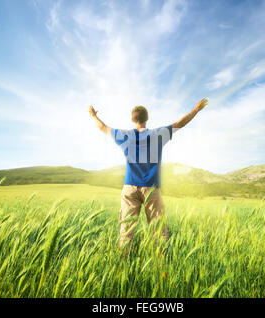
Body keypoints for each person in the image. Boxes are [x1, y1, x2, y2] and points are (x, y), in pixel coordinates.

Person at [88, 98, 208, 254]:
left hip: (130, 187)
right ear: (147, 119)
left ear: (133, 119)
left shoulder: (124, 136)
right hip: (151, 188)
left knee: (126, 229)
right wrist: (196, 109)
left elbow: (102, 127)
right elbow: (180, 123)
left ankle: (123, 261)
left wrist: (93, 115)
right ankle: (163, 263)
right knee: (159, 229)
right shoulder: (157, 135)